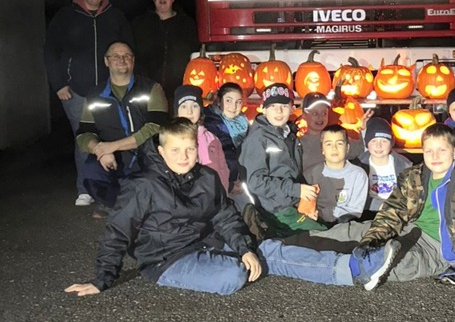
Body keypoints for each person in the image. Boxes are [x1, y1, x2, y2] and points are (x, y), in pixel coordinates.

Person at [64, 118, 404, 296]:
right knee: (233, 275)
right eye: (176, 151)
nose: (185, 157)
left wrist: (244, 247)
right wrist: (101, 280)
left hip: (206, 241)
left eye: (190, 150)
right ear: (162, 151)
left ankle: (353, 269)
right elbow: (117, 231)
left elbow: (225, 215)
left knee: (266, 250)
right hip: (166, 260)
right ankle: (234, 262)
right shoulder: (143, 186)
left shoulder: (206, 176)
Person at [297, 123, 455, 284]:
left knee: (400, 266)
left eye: (442, 150)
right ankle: (294, 243)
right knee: (351, 232)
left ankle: (328, 265)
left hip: (440, 248)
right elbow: (394, 211)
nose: (435, 156)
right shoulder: (415, 177)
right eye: (429, 150)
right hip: (411, 228)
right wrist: (370, 239)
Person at [44, 0, 133, 207]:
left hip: (109, 90)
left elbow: (128, 50)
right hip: (75, 91)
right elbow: (51, 51)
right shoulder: (65, 16)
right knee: (84, 137)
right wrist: (59, 83)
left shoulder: (115, 16)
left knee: (111, 136)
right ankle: (85, 188)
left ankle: (112, 185)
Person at [75, 41, 168, 215]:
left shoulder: (151, 88)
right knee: (91, 169)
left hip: (146, 153)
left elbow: (156, 126)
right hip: (113, 157)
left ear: (133, 60)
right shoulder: (94, 94)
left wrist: (114, 146)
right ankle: (112, 205)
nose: (122, 60)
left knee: (155, 182)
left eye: (126, 56)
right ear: (106, 61)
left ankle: (143, 204)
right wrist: (99, 149)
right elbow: (84, 133)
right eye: (115, 56)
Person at [238, 83, 326, 235]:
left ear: (292, 108)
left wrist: (306, 206)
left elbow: (294, 174)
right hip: (275, 212)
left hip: (293, 205)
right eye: (273, 106)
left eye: (284, 106)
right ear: (263, 109)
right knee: (325, 236)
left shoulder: (290, 135)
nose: (279, 111)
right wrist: (296, 190)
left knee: (328, 229)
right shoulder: (257, 139)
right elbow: (255, 182)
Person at [131, 0, 199, 105]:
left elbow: (195, 57)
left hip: (179, 92)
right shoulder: (139, 24)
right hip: (146, 92)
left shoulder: (187, 24)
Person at [304, 124, 369, 225]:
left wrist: (323, 213)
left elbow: (354, 211)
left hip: (345, 224)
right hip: (315, 223)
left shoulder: (358, 175)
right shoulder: (311, 174)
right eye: (328, 144)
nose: (334, 148)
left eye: (339, 143)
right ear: (322, 149)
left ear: (347, 147)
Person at [174, 84, 230, 192]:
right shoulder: (172, 139)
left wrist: (223, 192)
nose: (189, 112)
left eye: (194, 106)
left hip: (213, 195)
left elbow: (222, 168)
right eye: (184, 106)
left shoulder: (211, 138)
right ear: (177, 111)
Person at [355, 117, 412, 218]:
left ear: (391, 143)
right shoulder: (358, 165)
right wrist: (380, 206)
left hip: (396, 210)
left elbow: (409, 194)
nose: (378, 146)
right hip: (368, 209)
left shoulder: (404, 165)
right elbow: (356, 196)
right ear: (367, 143)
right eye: (374, 141)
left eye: (384, 141)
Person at [298, 92, 366, 173]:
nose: (320, 117)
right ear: (304, 115)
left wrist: (363, 129)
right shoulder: (297, 145)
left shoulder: (337, 139)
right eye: (315, 113)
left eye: (324, 113)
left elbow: (359, 149)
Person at [203, 82, 250, 190]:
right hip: (222, 182)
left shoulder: (243, 122)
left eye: (238, 102)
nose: (233, 107)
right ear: (219, 101)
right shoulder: (210, 123)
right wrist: (229, 185)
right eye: (228, 100)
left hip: (241, 180)